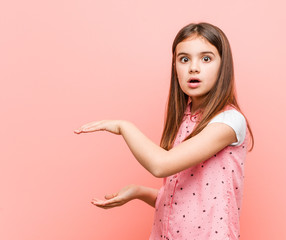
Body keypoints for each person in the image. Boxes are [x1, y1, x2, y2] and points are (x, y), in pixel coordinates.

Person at [74, 22, 254, 239]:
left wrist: (125, 127)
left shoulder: (228, 121)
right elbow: (183, 201)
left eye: (206, 58)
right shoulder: (186, 118)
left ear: (223, 66)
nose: (193, 67)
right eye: (184, 59)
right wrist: (138, 192)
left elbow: (161, 165)